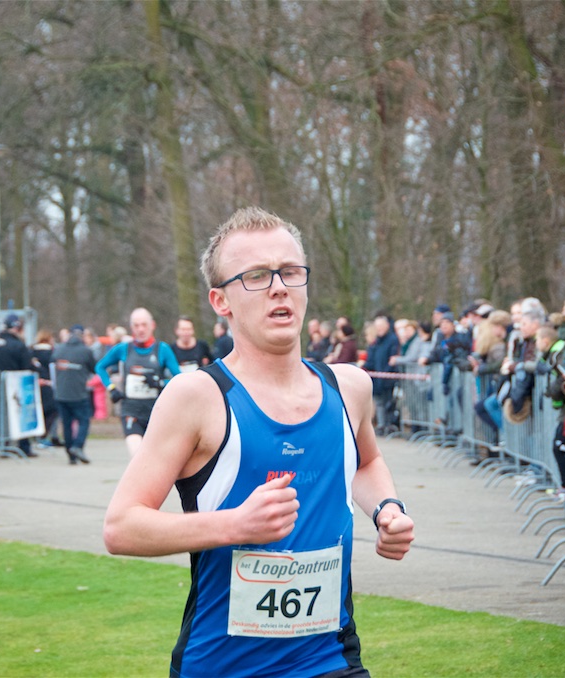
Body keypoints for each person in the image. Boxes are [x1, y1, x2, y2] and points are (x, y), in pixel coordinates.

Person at [103, 206, 414, 678]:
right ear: (220, 301)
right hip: (223, 666)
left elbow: (366, 463)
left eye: (290, 271)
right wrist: (235, 524)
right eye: (255, 276)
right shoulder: (196, 397)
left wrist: (387, 508)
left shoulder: (350, 387)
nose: (278, 286)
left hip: (329, 658)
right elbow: (121, 527)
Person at [94, 307, 181, 457]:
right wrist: (111, 387)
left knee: (156, 459)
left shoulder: (162, 349)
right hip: (131, 411)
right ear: (131, 327)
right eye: (136, 325)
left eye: (144, 325)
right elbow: (100, 367)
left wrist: (160, 383)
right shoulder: (123, 349)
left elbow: (179, 378)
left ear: (152, 325)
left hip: (157, 412)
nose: (140, 329)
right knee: (138, 456)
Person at [0, 313, 36, 458]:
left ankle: (2, 444)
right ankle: (23, 446)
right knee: (19, 414)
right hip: (15, 387)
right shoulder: (18, 345)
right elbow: (26, 365)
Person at [52, 324, 95, 465]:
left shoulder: (59, 349)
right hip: (79, 394)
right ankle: (77, 446)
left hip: (61, 394)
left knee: (67, 425)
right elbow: (93, 368)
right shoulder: (86, 351)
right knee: (84, 421)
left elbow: (52, 361)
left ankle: (71, 455)